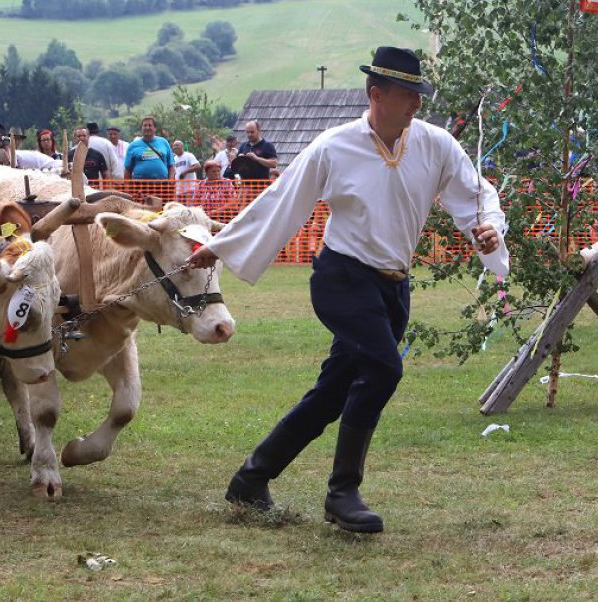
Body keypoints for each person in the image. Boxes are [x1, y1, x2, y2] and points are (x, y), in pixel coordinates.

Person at [186, 46, 510, 534]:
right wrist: (221, 245)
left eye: (419, 94)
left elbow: (478, 195)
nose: (417, 104)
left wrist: (488, 230)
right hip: (341, 279)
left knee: (333, 392)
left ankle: (251, 479)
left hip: (394, 289)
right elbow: (282, 200)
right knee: (383, 368)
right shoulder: (334, 146)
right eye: (407, 94)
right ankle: (343, 493)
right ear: (376, 94)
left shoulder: (436, 144)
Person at [124, 116, 174, 180]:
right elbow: (127, 169)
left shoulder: (164, 142)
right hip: (140, 184)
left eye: (150, 125)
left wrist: (171, 181)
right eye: (145, 125)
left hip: (162, 184)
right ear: (141, 128)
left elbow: (171, 165)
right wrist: (127, 185)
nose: (147, 128)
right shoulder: (133, 146)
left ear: (155, 128)